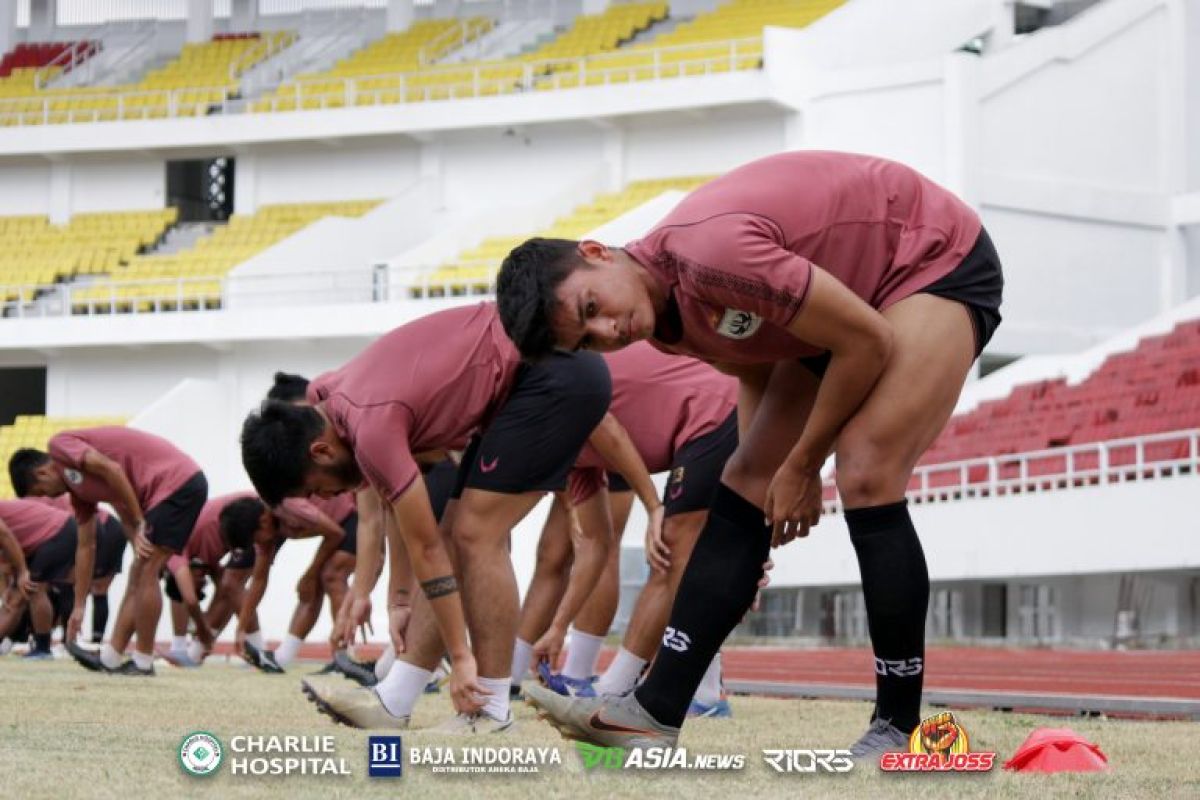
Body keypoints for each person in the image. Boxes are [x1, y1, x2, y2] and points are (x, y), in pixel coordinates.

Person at [494, 150, 1003, 756]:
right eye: (588, 339)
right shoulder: (661, 321)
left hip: (926, 255)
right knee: (741, 478)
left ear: (596, 251)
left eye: (591, 308)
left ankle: (901, 726)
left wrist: (803, 467)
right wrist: (753, 503)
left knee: (866, 471)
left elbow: (866, 341)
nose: (608, 332)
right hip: (842, 304)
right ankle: (653, 710)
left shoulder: (712, 258)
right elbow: (758, 372)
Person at [240, 303, 647, 732]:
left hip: (553, 369)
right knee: (459, 533)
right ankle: (395, 699)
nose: (327, 497)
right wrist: (399, 598)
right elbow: (397, 512)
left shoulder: (369, 423)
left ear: (320, 452)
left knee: (475, 535)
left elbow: (426, 550)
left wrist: (462, 657)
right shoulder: (329, 399)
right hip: (528, 375)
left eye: (315, 489)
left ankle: (488, 708)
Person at [515, 343, 742, 717]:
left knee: (673, 550)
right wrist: (557, 628)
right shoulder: (571, 459)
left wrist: (654, 507)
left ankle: (697, 692)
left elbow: (611, 429)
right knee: (677, 556)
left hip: (717, 409)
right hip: (697, 417)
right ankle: (642, 688)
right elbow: (595, 547)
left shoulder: (555, 407)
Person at [9, 427, 208, 676]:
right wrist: (79, 605)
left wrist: (138, 523)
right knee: (139, 569)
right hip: (167, 491)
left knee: (147, 570)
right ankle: (112, 657)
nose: (48, 498)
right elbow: (86, 546)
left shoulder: (60, 446)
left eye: (41, 493)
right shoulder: (79, 493)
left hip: (176, 483)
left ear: (41, 473)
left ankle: (143, 662)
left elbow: (112, 469)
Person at [159, 492, 262, 665]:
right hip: (240, 520)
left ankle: (259, 651)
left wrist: (203, 628)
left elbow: (191, 601)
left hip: (253, 514)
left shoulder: (178, 549)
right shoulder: (200, 559)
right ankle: (191, 651)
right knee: (229, 587)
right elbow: (226, 595)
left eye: (198, 585)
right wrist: (207, 631)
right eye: (202, 587)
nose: (203, 583)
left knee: (231, 584)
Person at [0, 498, 78, 659]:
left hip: (57, 531)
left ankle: (43, 649)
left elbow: (6, 536)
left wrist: (22, 571)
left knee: (34, 588)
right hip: (42, 537)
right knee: (15, 598)